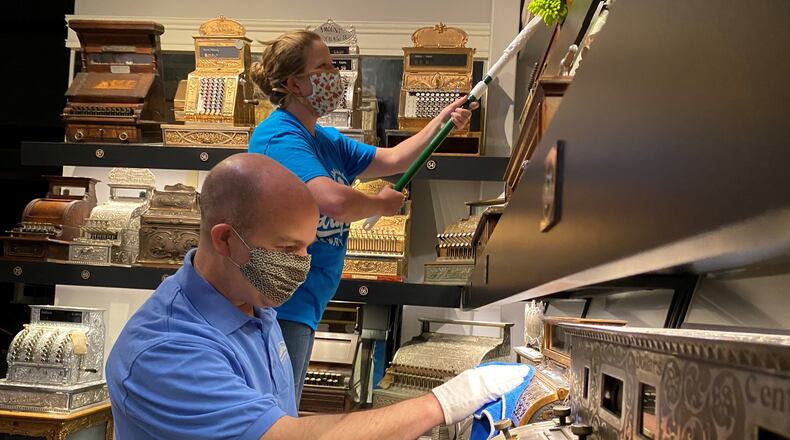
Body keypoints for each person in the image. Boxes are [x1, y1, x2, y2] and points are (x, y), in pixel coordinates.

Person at [105, 154, 530, 439]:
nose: (302, 264)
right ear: (225, 240)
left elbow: (277, 419)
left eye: (308, 247)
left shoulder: (253, 303)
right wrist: (447, 401)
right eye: (288, 249)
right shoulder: (166, 350)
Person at [248, 30, 479, 401]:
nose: (334, 75)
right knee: (274, 415)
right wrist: (380, 204)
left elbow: (393, 159)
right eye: (323, 66)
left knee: (282, 408)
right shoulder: (279, 137)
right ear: (295, 83)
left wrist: (443, 120)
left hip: (304, 301)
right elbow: (332, 201)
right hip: (278, 305)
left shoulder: (323, 138)